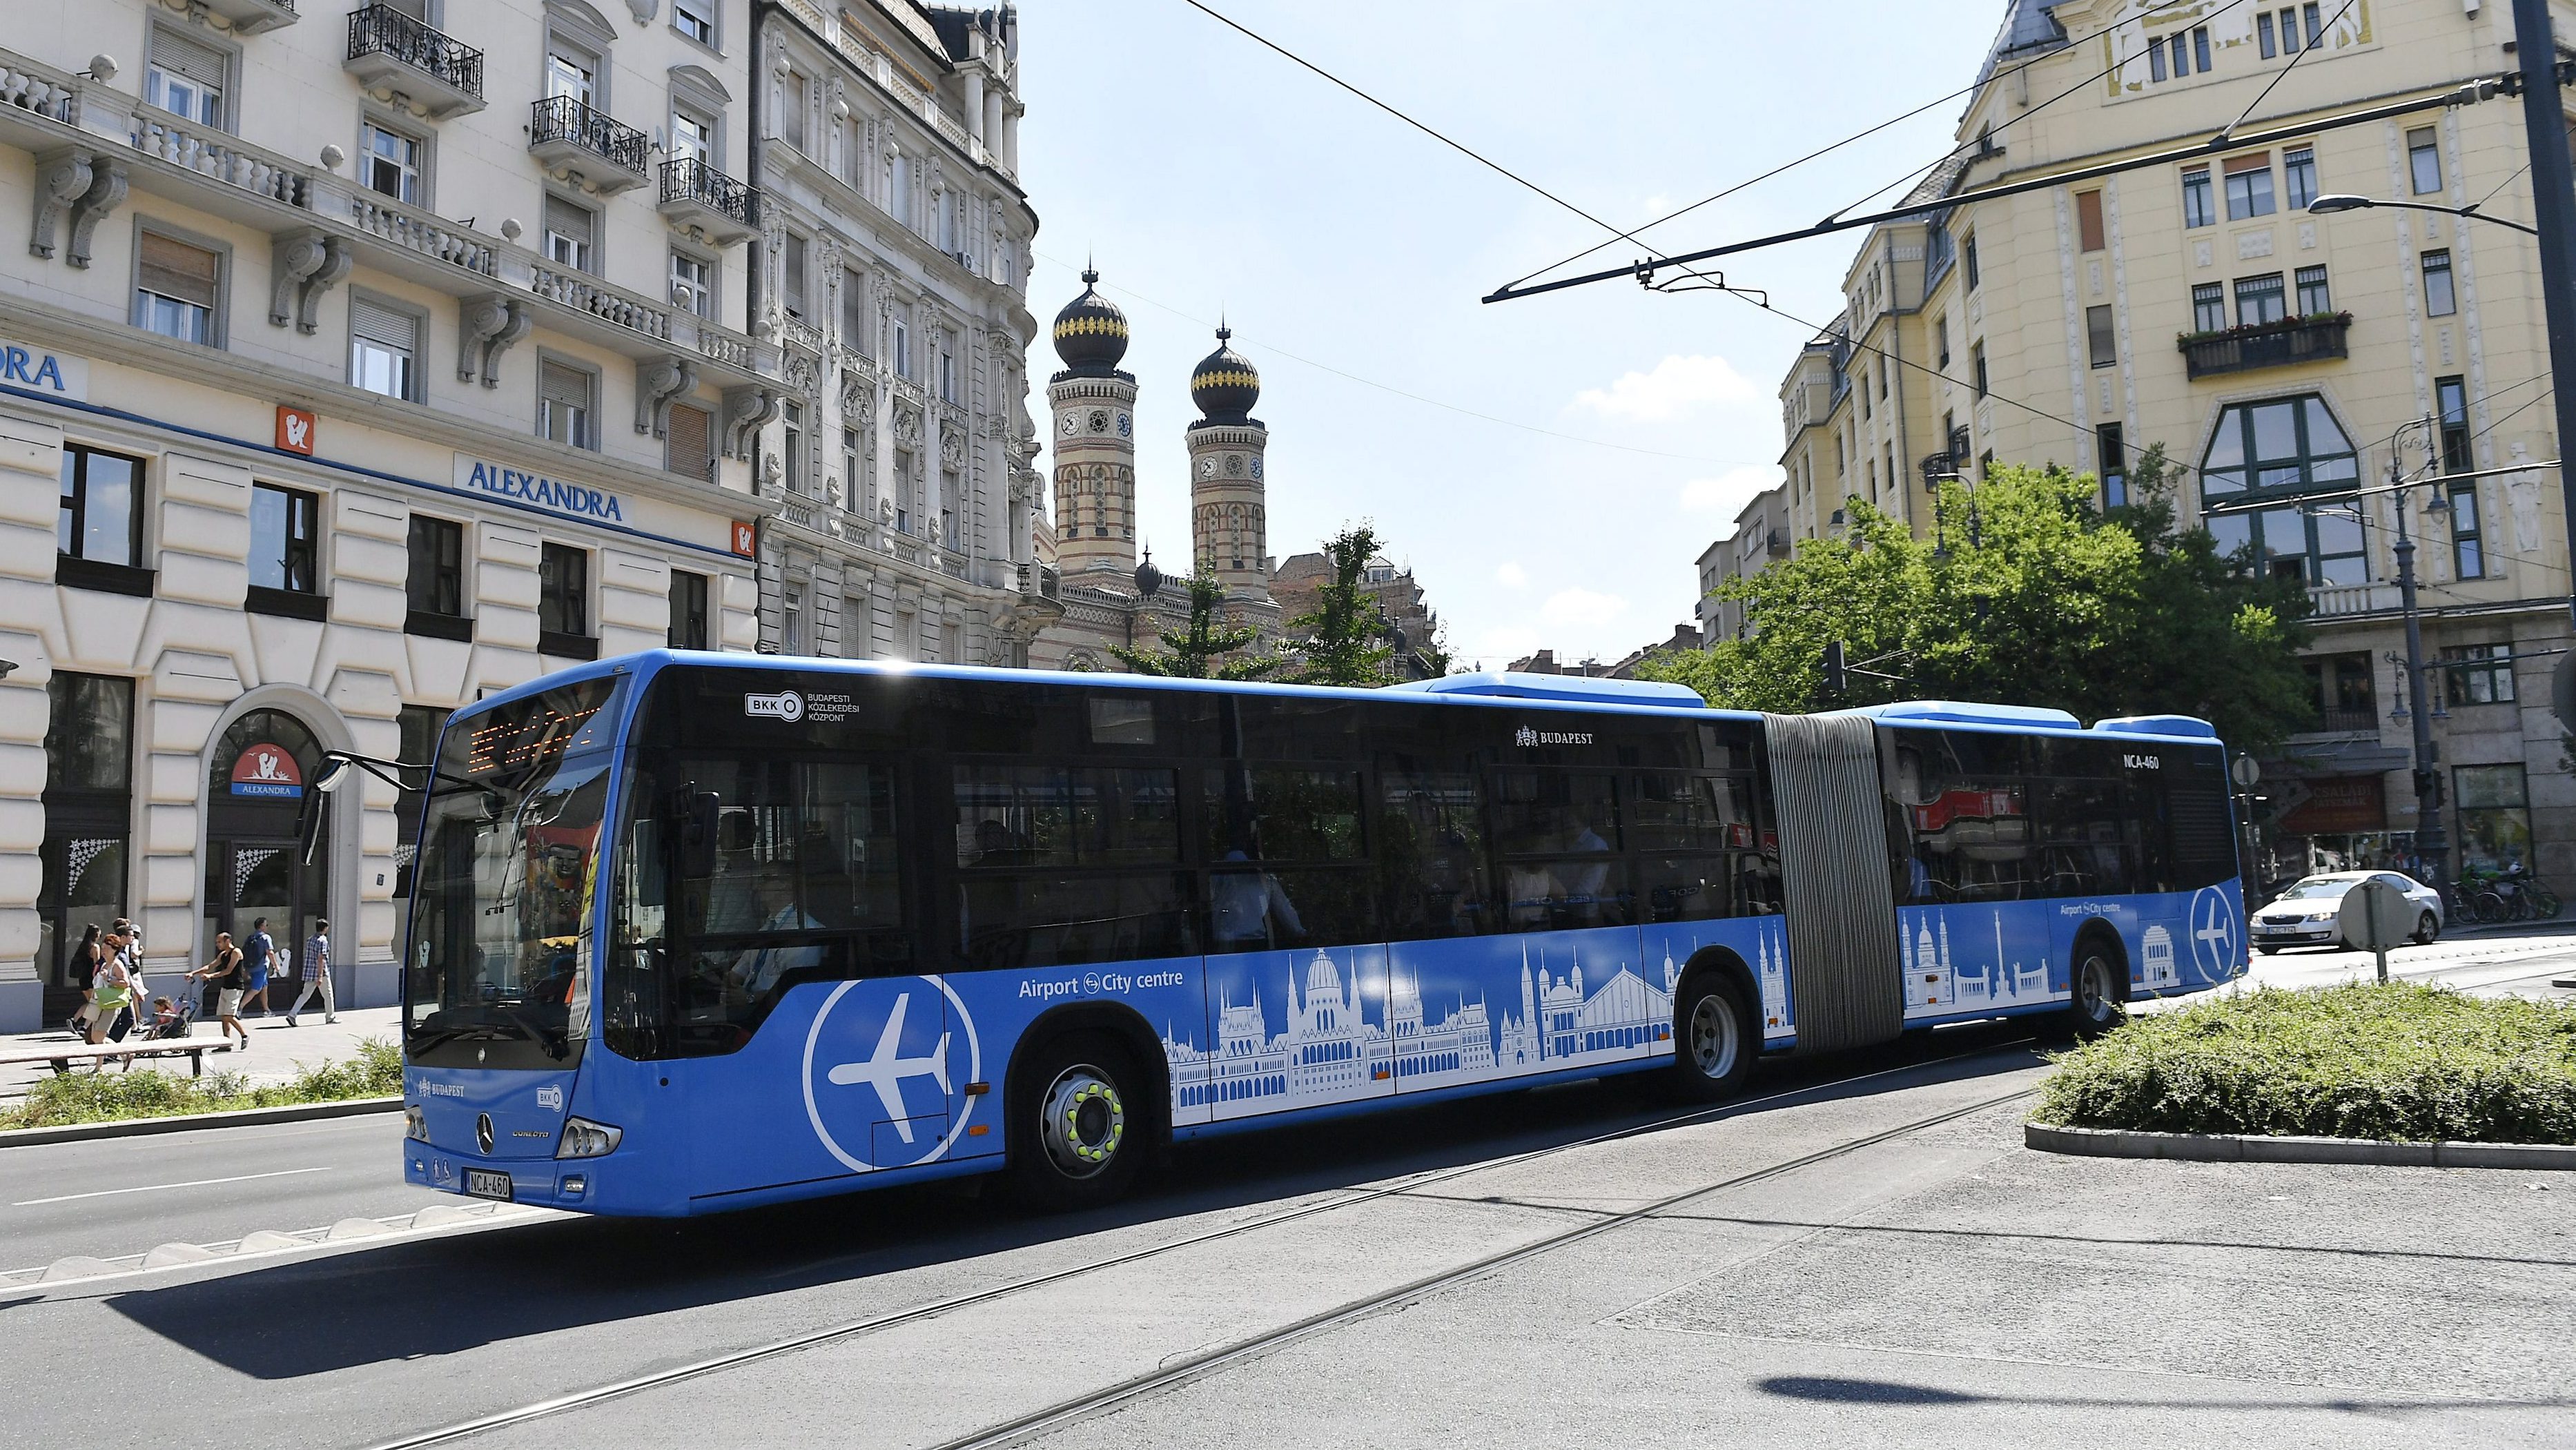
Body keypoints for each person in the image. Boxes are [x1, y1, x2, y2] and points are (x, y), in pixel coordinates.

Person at [727, 874, 824, 998]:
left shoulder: (804, 930)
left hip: (772, 1010)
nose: (758, 886)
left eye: (765, 879)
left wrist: (750, 998)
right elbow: (738, 973)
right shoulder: (766, 929)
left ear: (787, 886)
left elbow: (795, 990)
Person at [1209, 849, 1304, 949]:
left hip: (1225, 943)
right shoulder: (1266, 880)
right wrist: (1301, 933)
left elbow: (1210, 904)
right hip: (1256, 942)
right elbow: (1285, 910)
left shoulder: (1217, 877)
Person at [188, 932, 248, 1051]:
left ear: (228, 941)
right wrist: (193, 973)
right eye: (216, 942)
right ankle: (225, 1044)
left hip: (236, 988)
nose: (217, 945)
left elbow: (229, 970)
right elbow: (210, 966)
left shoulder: (236, 952)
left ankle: (244, 1036)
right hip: (226, 987)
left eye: (219, 942)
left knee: (229, 1016)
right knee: (223, 1016)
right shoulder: (223, 955)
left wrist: (211, 976)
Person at [87, 929, 135, 1046]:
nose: (103, 951)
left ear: (115, 950)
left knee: (99, 1037)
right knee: (94, 1037)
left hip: (112, 1003)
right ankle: (125, 1054)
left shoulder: (117, 964)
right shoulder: (104, 964)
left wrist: (108, 978)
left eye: (107, 949)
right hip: (102, 1002)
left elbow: (125, 983)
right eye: (103, 948)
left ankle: (99, 1065)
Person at [285, 919, 336, 1026]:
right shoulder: (323, 940)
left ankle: (292, 1014)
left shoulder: (310, 939)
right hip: (321, 972)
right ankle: (330, 1017)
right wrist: (320, 976)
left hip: (309, 972)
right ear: (325, 928)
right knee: (328, 995)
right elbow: (321, 958)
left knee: (305, 995)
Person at [66, 923, 103, 1038]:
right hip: (91, 978)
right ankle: (83, 1026)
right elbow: (96, 964)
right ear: (96, 935)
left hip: (83, 978)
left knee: (91, 1002)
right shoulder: (95, 947)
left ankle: (76, 1020)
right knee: (96, 1004)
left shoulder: (83, 946)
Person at [240, 918, 274, 1020]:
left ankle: (266, 1010)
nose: (267, 927)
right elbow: (270, 952)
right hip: (260, 967)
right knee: (256, 989)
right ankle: (239, 1009)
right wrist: (276, 965)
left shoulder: (251, 937)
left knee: (264, 988)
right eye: (266, 925)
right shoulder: (266, 937)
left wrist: (245, 969)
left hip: (251, 966)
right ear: (262, 926)